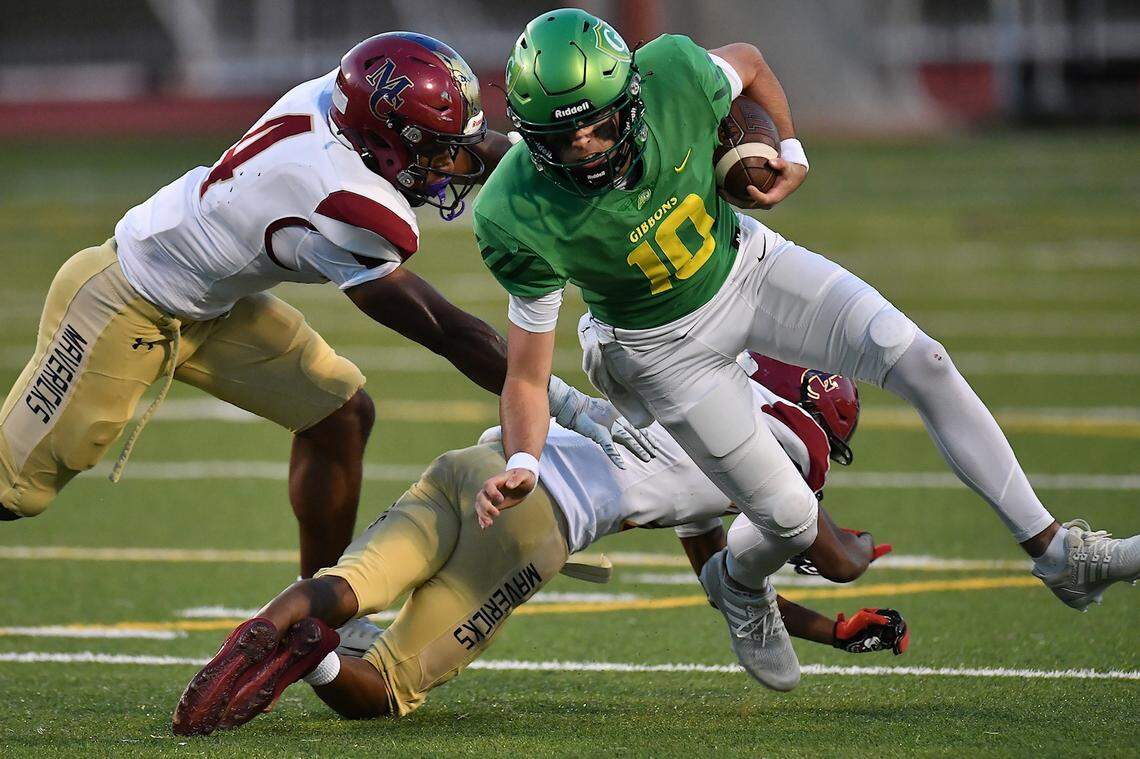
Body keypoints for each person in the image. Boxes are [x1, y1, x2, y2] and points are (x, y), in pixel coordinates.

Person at [470, 8, 1139, 687]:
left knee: (921, 358)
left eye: (600, 123)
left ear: (633, 95)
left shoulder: (672, 71)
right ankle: (737, 584)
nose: (585, 144)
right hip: (660, 347)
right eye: (562, 134)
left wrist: (790, 146)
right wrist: (525, 456)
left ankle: (1058, 551)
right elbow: (526, 376)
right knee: (790, 520)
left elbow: (750, 61)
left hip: (748, 266)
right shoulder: (513, 210)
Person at [0, 31, 650, 577]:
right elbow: (448, 333)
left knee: (339, 414)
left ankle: (324, 610)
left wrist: (555, 167)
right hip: (124, 301)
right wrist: (563, 403)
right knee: (13, 487)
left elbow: (465, 143)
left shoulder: (345, 102)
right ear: (387, 141)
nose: (452, 165)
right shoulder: (342, 201)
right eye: (435, 153)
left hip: (212, 304)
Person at [171, 357, 907, 736]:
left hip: (480, 462)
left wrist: (825, 630)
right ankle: (316, 655)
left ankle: (268, 627)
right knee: (389, 688)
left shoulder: (695, 376)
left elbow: (712, 564)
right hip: (535, 523)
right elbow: (812, 555)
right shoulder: (782, 447)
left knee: (350, 580)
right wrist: (859, 553)